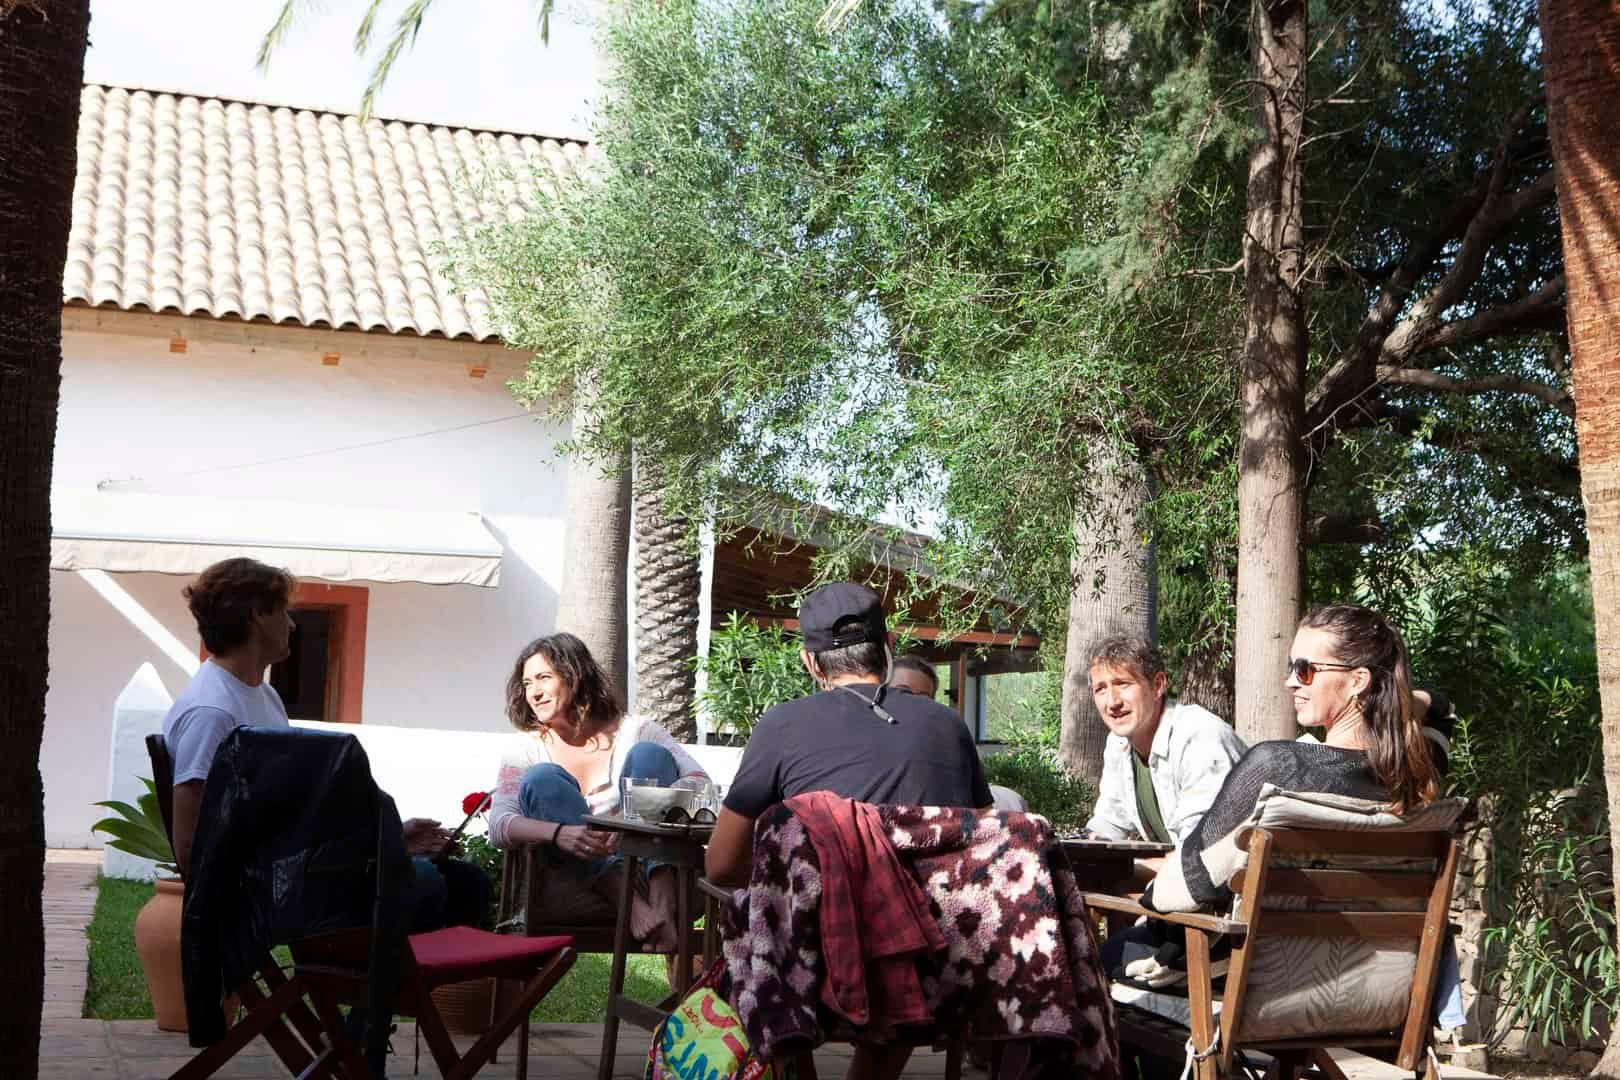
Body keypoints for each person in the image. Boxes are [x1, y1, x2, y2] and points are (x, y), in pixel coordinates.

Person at [706, 584, 994, 1080]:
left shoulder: (783, 725)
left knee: (769, 915)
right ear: (887, 648)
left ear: (810, 663)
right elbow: (985, 840)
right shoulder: (948, 725)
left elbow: (721, 864)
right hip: (938, 960)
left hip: (813, 966)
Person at [162, 557, 487, 932]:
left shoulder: (262, 696)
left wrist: (386, 842)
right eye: (283, 611)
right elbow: (192, 847)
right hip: (269, 891)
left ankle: (400, 988)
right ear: (257, 616)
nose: (291, 623)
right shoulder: (211, 710)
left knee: (462, 880)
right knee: (436, 885)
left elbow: (291, 811)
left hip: (303, 870)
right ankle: (382, 989)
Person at [486, 632, 708, 949]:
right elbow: (499, 824)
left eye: (543, 678)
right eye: (527, 683)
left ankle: (661, 905)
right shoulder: (526, 750)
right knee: (542, 779)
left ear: (574, 676)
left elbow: (702, 785)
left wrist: (636, 821)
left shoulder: (637, 730)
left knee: (650, 756)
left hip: (648, 861)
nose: (533, 693)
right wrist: (559, 832)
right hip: (581, 871)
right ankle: (631, 905)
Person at [1083, 637, 1247, 847]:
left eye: (1123, 684)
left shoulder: (1200, 737)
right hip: (1180, 871)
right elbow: (1110, 822)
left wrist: (1130, 867)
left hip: (1237, 876)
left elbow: (1200, 853)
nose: (1112, 702)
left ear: (1158, 685)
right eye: (1101, 689)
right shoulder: (1118, 743)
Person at [890, 652, 1030, 813]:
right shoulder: (867, 737)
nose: (911, 703)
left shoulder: (951, 734)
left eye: (922, 698)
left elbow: (983, 807)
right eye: (901, 693)